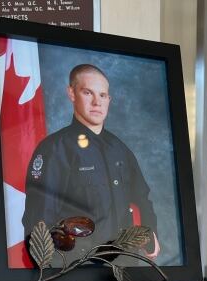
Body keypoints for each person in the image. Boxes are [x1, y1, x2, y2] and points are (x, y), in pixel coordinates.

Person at [22, 64, 158, 261]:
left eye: (103, 95)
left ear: (109, 100)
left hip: (124, 264)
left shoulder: (120, 149)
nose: (97, 102)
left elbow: (142, 197)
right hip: (78, 267)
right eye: (88, 92)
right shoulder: (54, 150)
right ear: (71, 93)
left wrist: (150, 232)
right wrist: (54, 275)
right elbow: (39, 223)